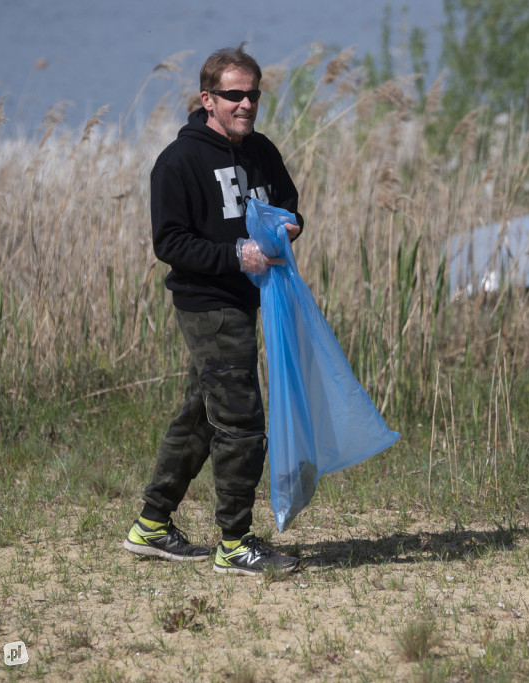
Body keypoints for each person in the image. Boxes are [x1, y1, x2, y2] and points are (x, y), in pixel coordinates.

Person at [123, 45, 303, 576]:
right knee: (242, 420)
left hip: (252, 298)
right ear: (208, 99)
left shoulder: (261, 151)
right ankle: (234, 542)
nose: (245, 103)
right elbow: (170, 243)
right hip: (208, 302)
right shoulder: (178, 163)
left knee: (203, 414)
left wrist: (291, 226)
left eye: (253, 94)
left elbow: (290, 205)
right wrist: (235, 254)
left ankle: (151, 526)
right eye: (234, 95)